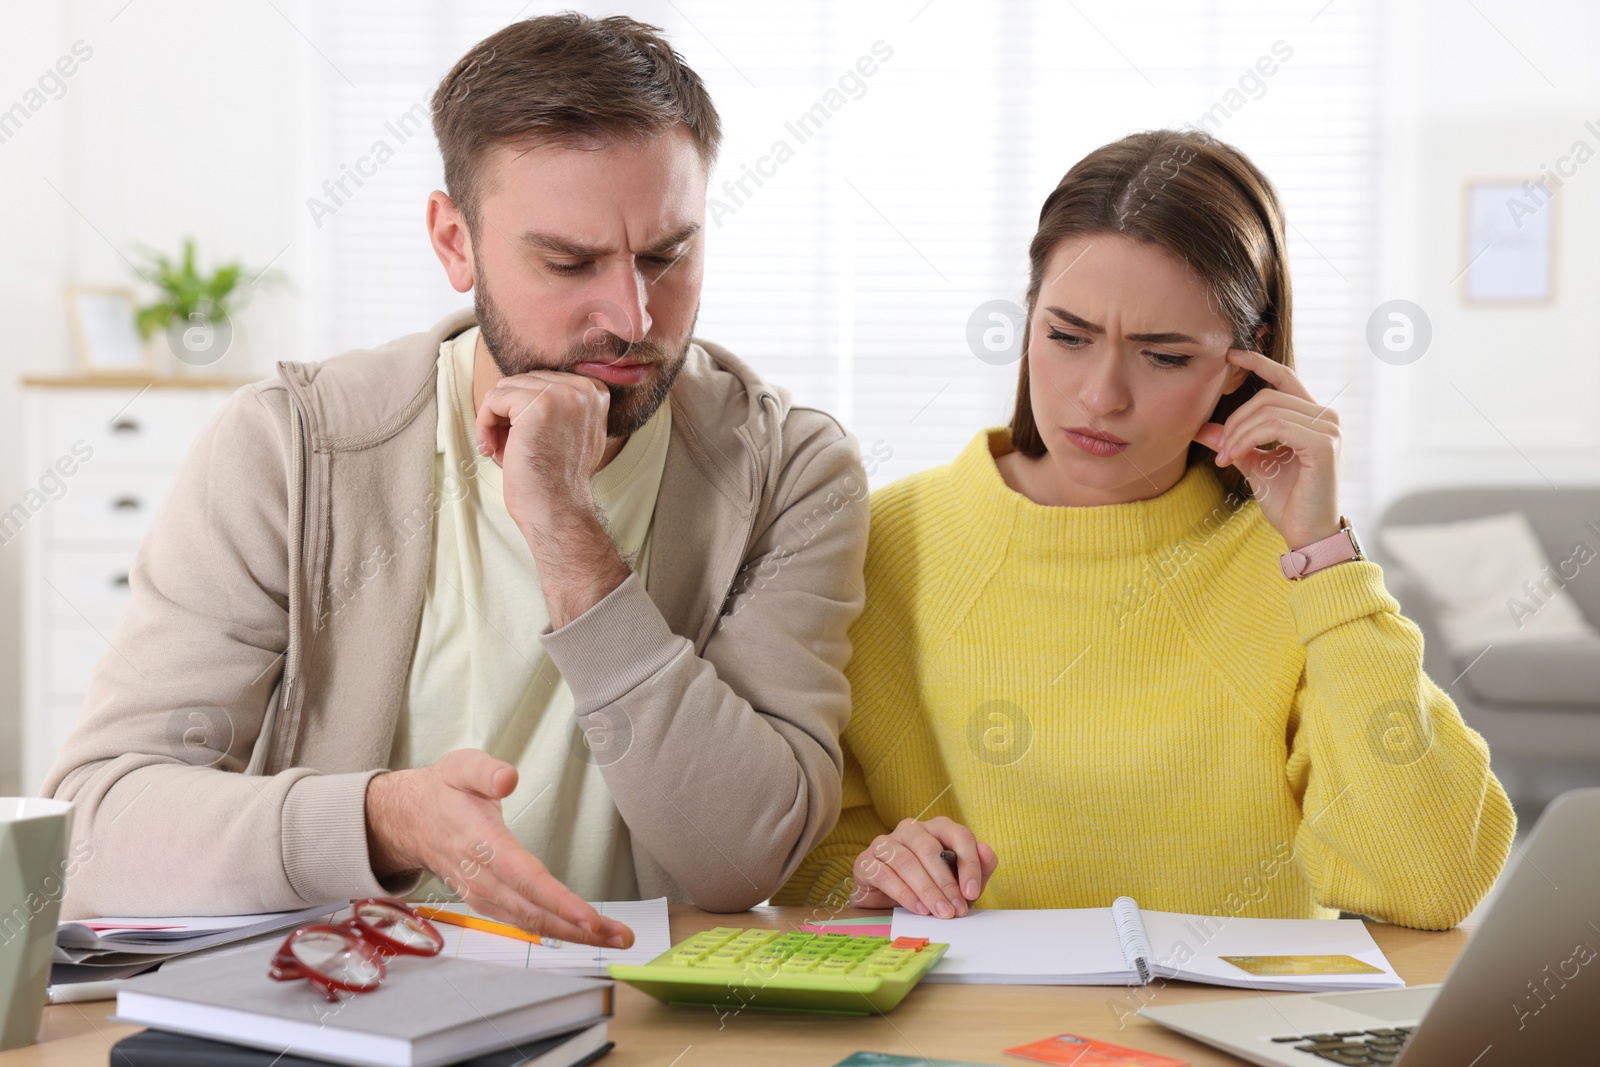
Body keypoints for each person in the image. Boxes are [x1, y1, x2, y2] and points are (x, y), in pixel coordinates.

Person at [46, 14, 869, 947]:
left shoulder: (793, 472)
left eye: (665, 256)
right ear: (455, 243)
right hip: (339, 1009)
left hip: (646, 1021)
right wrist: (383, 817)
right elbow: (93, 831)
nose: (632, 314)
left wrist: (565, 527)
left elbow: (743, 858)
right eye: (569, 261)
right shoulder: (292, 447)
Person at [774, 129, 1515, 931]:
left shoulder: (1297, 568)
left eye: (1161, 355)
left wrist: (1324, 552)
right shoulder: (881, 542)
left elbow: (1430, 879)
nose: (1100, 396)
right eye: (1066, 336)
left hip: (1230, 1045)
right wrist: (875, 876)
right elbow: (803, 868)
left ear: (1242, 365)